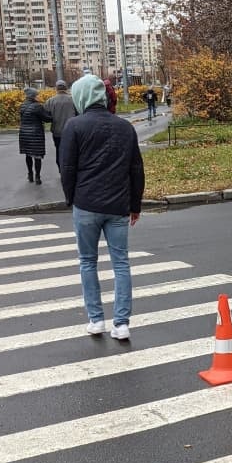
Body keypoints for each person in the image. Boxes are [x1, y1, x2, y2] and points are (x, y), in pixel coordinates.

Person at [61, 74, 145, 340]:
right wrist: (135, 205)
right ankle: (121, 324)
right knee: (121, 263)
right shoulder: (125, 127)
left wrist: (71, 199)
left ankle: (96, 320)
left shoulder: (74, 126)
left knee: (88, 261)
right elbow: (136, 169)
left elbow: (67, 168)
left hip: (86, 204)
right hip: (119, 205)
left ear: (81, 97)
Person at [18, 87, 50, 184]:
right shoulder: (37, 106)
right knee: (37, 156)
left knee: (28, 154)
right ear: (33, 96)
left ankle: (30, 174)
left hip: (24, 133)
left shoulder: (22, 106)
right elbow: (47, 118)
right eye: (36, 95)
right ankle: (37, 177)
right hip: (35, 133)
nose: (38, 96)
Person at [44, 80, 77, 171]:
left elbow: (46, 116)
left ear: (56, 88)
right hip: (72, 131)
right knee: (72, 150)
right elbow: (79, 114)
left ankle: (61, 169)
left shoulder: (50, 101)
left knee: (59, 150)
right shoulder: (73, 100)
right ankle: (71, 169)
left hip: (57, 131)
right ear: (66, 88)